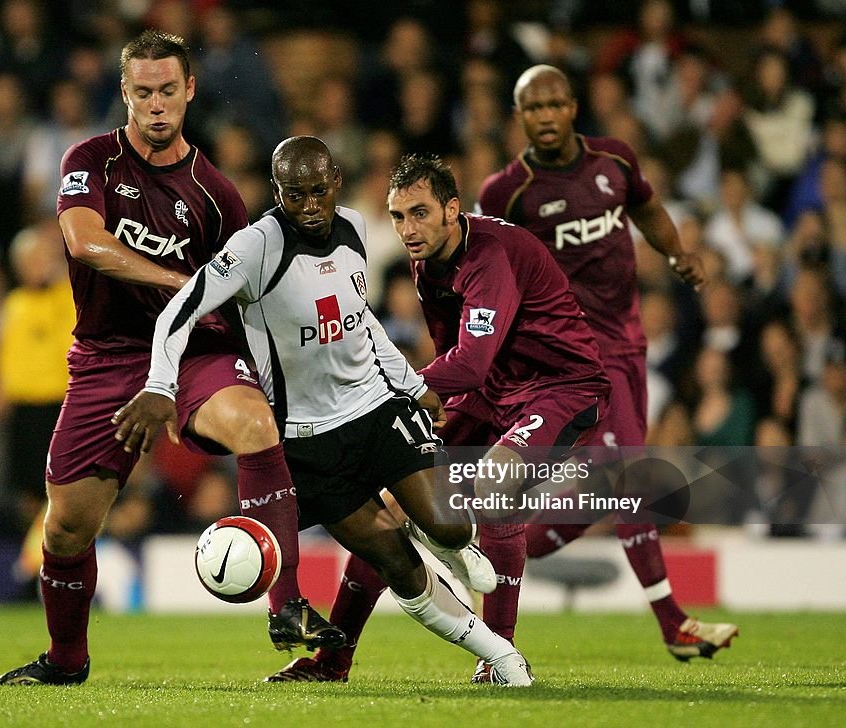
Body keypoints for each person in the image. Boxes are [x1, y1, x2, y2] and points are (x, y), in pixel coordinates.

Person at [112, 136, 533, 687]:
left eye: (318, 192)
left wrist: (412, 387)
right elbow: (179, 309)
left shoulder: (356, 228)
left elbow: (363, 324)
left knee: (449, 526)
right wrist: (160, 384)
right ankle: (501, 656)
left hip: (377, 410)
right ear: (277, 190)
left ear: (335, 181)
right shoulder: (255, 247)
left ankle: (451, 545)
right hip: (307, 441)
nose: (309, 206)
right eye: (295, 195)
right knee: (398, 568)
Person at [0, 31, 341, 688]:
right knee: (64, 531)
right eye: (143, 91)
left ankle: (286, 602)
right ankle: (66, 662)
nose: (156, 104)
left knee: (256, 426)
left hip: (194, 352)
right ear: (125, 93)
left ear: (189, 92)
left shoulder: (216, 195)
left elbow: (244, 298)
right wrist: (183, 283)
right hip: (107, 360)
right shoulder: (89, 160)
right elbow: (83, 241)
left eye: (168, 91)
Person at [270, 152, 613, 684]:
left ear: (453, 209)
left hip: (559, 389)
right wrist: (419, 410)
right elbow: (453, 354)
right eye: (399, 216)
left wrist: (397, 394)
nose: (408, 228)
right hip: (491, 393)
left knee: (498, 481)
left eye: (421, 213)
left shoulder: (490, 255)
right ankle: (332, 662)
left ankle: (498, 657)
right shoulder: (425, 263)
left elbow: (469, 362)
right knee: (391, 506)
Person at [476, 64, 736, 660]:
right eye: (532, 109)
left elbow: (645, 208)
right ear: (519, 117)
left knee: (598, 490)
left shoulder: (613, 162)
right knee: (628, 477)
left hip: (629, 343)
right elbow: (490, 272)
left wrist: (676, 255)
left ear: (572, 107)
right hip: (573, 358)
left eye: (553, 105)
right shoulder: (506, 193)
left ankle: (481, 554)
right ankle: (673, 625)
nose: (544, 118)